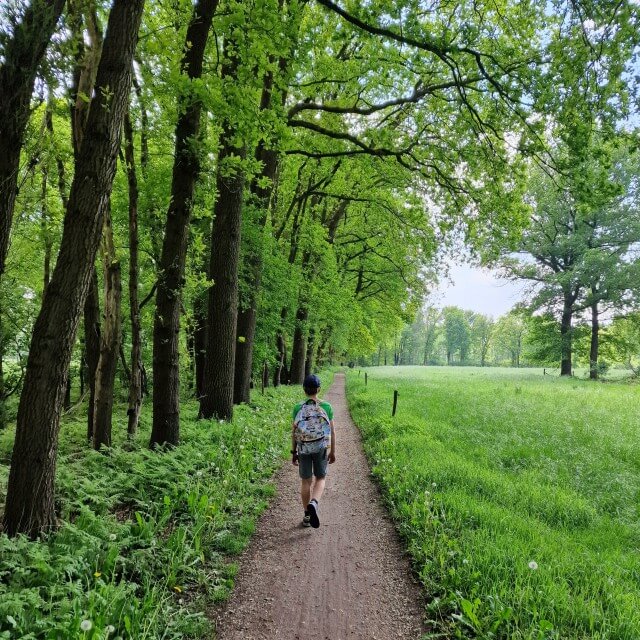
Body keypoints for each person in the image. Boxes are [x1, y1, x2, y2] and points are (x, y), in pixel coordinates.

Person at [291, 374, 336, 528]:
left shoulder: (298, 408)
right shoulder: (327, 407)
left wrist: (294, 452)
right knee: (321, 478)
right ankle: (314, 503)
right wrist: (333, 451)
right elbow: (332, 431)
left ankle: (306, 516)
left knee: (305, 481)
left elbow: (294, 432)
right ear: (319, 389)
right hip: (321, 448)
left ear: (304, 390)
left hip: (303, 448)